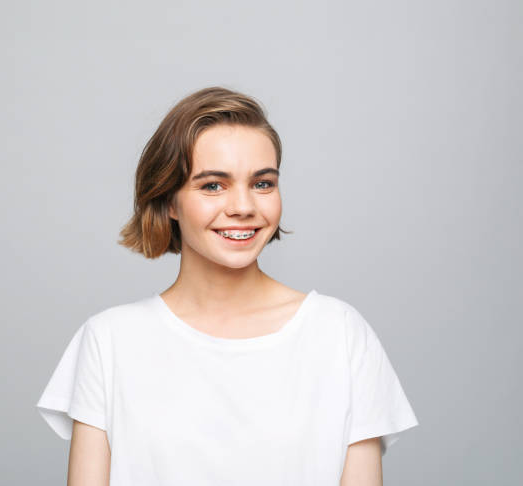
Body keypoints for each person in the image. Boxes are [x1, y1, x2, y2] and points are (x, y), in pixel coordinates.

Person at [35, 86, 419, 485]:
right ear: (168, 200)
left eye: (262, 183)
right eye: (213, 185)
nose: (243, 207)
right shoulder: (109, 342)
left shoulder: (339, 334)